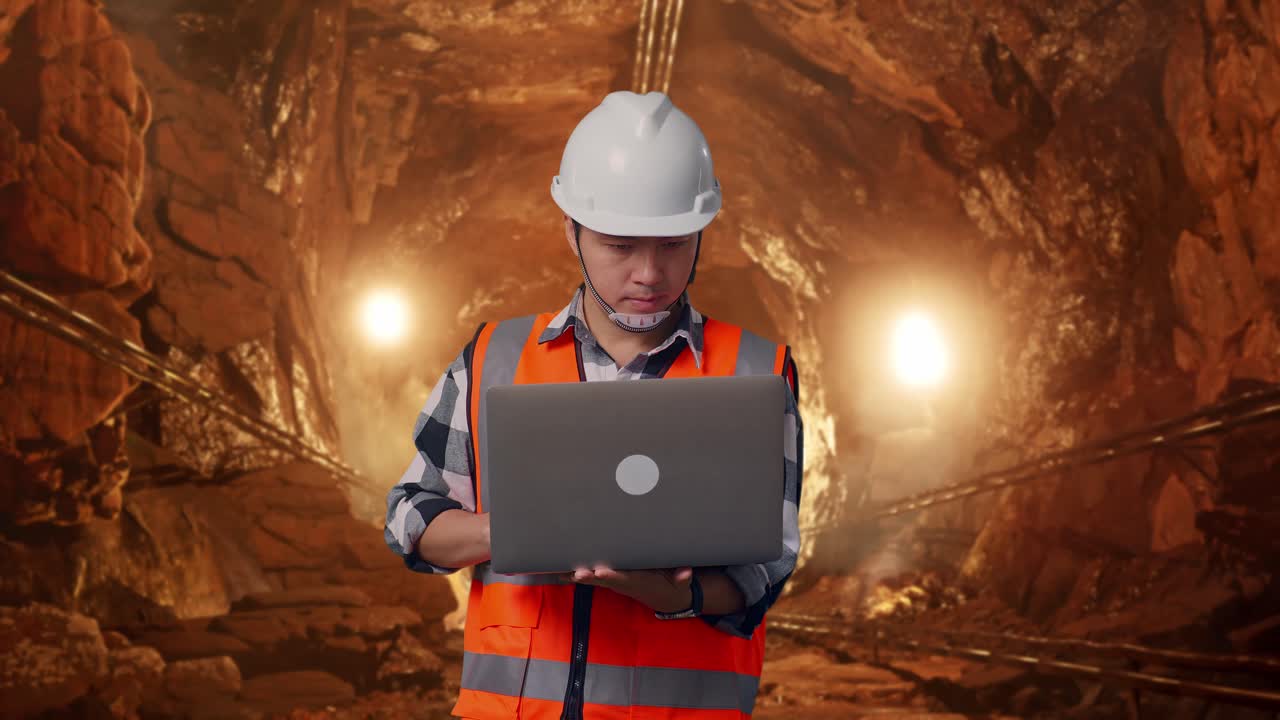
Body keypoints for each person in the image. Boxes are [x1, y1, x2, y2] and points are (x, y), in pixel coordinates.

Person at [384, 90, 804, 720]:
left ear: (699, 235)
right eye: (619, 246)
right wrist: (518, 534)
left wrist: (671, 596)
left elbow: (766, 568)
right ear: (572, 233)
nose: (648, 274)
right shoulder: (493, 358)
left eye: (671, 245)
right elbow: (410, 517)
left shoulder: (757, 372)